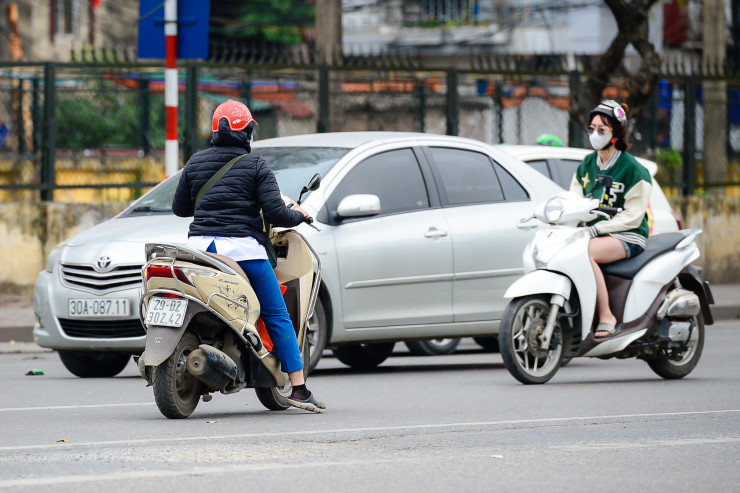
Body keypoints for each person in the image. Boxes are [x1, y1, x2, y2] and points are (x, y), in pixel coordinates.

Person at [172, 99, 326, 413]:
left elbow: (180, 209)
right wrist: (300, 215)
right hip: (243, 251)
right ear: (245, 131)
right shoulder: (256, 165)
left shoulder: (196, 161)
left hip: (201, 252)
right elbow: (275, 213)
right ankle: (298, 388)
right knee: (277, 314)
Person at [569, 100, 652, 338]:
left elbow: (633, 216)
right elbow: (573, 200)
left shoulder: (634, 170)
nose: (594, 134)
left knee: (586, 253)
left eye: (601, 130)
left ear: (615, 133)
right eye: (591, 128)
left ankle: (606, 315)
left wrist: (598, 229)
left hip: (627, 235)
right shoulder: (586, 164)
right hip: (592, 234)